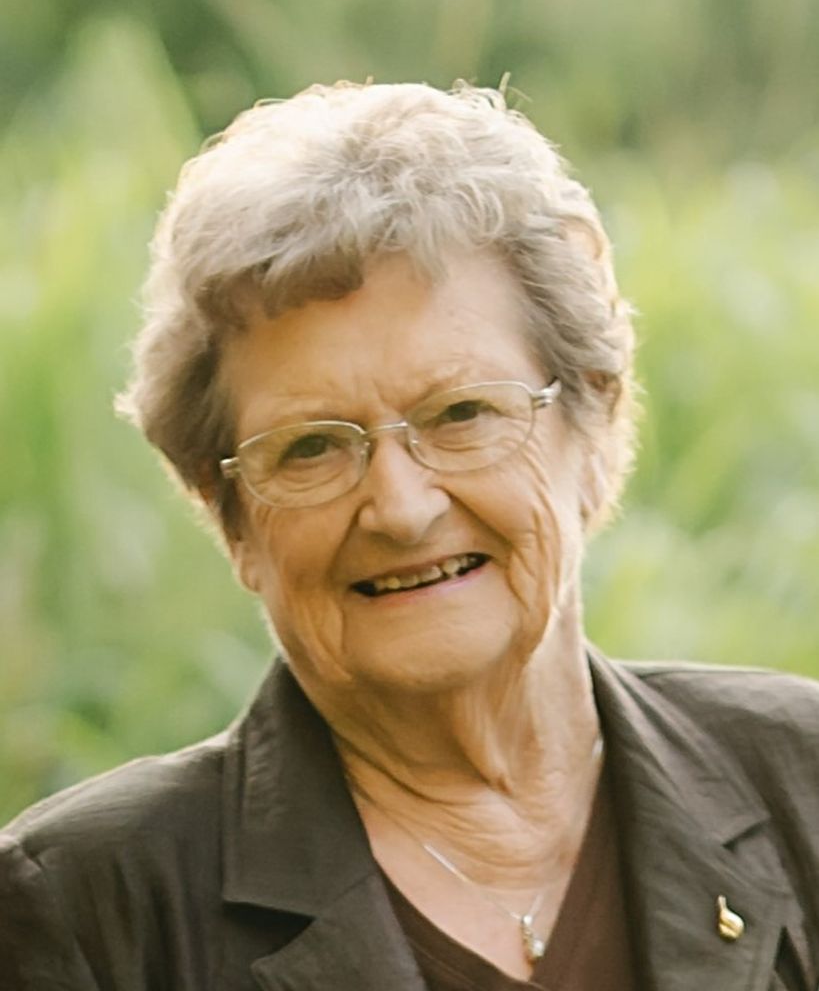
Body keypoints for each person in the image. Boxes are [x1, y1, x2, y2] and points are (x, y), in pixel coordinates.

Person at [1, 81, 817, 991]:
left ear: (593, 427)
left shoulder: (802, 781)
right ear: (229, 516)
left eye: (460, 413)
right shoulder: (88, 908)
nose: (399, 506)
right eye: (310, 446)